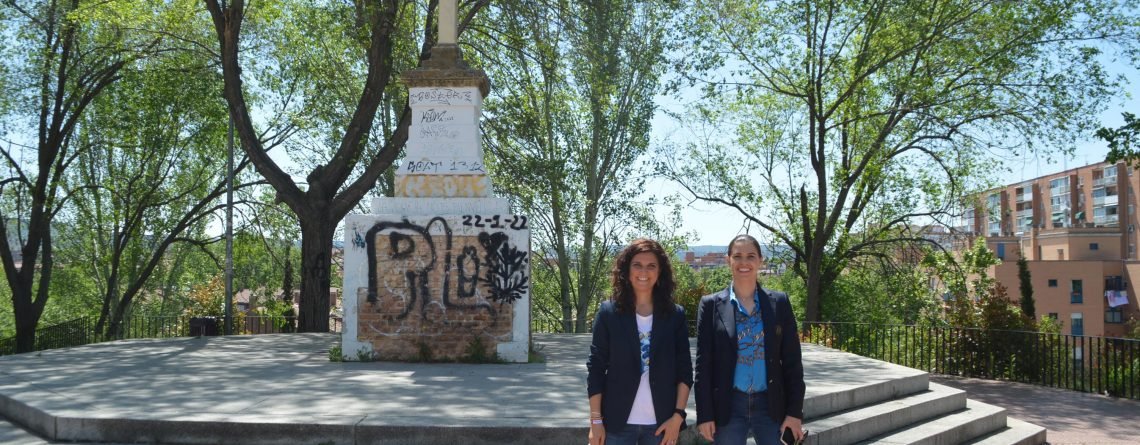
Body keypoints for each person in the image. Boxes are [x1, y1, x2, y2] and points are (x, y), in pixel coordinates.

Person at [695, 234, 806, 445]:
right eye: (737, 256)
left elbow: (792, 362)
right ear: (728, 260)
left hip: (771, 404)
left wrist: (794, 412)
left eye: (750, 256)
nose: (743, 262)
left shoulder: (779, 302)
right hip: (728, 405)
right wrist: (705, 415)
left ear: (760, 260)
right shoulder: (710, 305)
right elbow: (703, 366)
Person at [587, 238, 694, 445]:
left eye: (651, 266)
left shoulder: (675, 315)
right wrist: (595, 420)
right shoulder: (608, 313)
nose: (643, 272)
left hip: (661, 424)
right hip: (616, 423)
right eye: (637, 265)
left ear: (660, 271)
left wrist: (678, 416)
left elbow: (684, 370)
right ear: (626, 270)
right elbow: (596, 368)